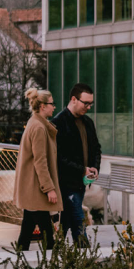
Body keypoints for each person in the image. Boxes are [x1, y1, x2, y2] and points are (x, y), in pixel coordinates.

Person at [51, 83, 101, 246]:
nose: (88, 107)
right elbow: (58, 157)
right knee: (79, 221)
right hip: (66, 182)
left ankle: (54, 254)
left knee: (67, 222)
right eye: (85, 103)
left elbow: (96, 148)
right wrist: (82, 169)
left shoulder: (88, 122)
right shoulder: (58, 122)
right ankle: (85, 260)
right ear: (73, 99)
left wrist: (95, 167)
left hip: (80, 182)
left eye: (91, 103)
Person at [13, 88, 61, 251]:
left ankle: (20, 260)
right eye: (51, 103)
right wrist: (49, 188)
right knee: (47, 234)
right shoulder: (39, 128)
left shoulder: (35, 123)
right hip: (36, 188)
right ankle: (53, 268)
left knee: (27, 229)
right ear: (42, 106)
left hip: (32, 186)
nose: (54, 107)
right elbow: (40, 161)